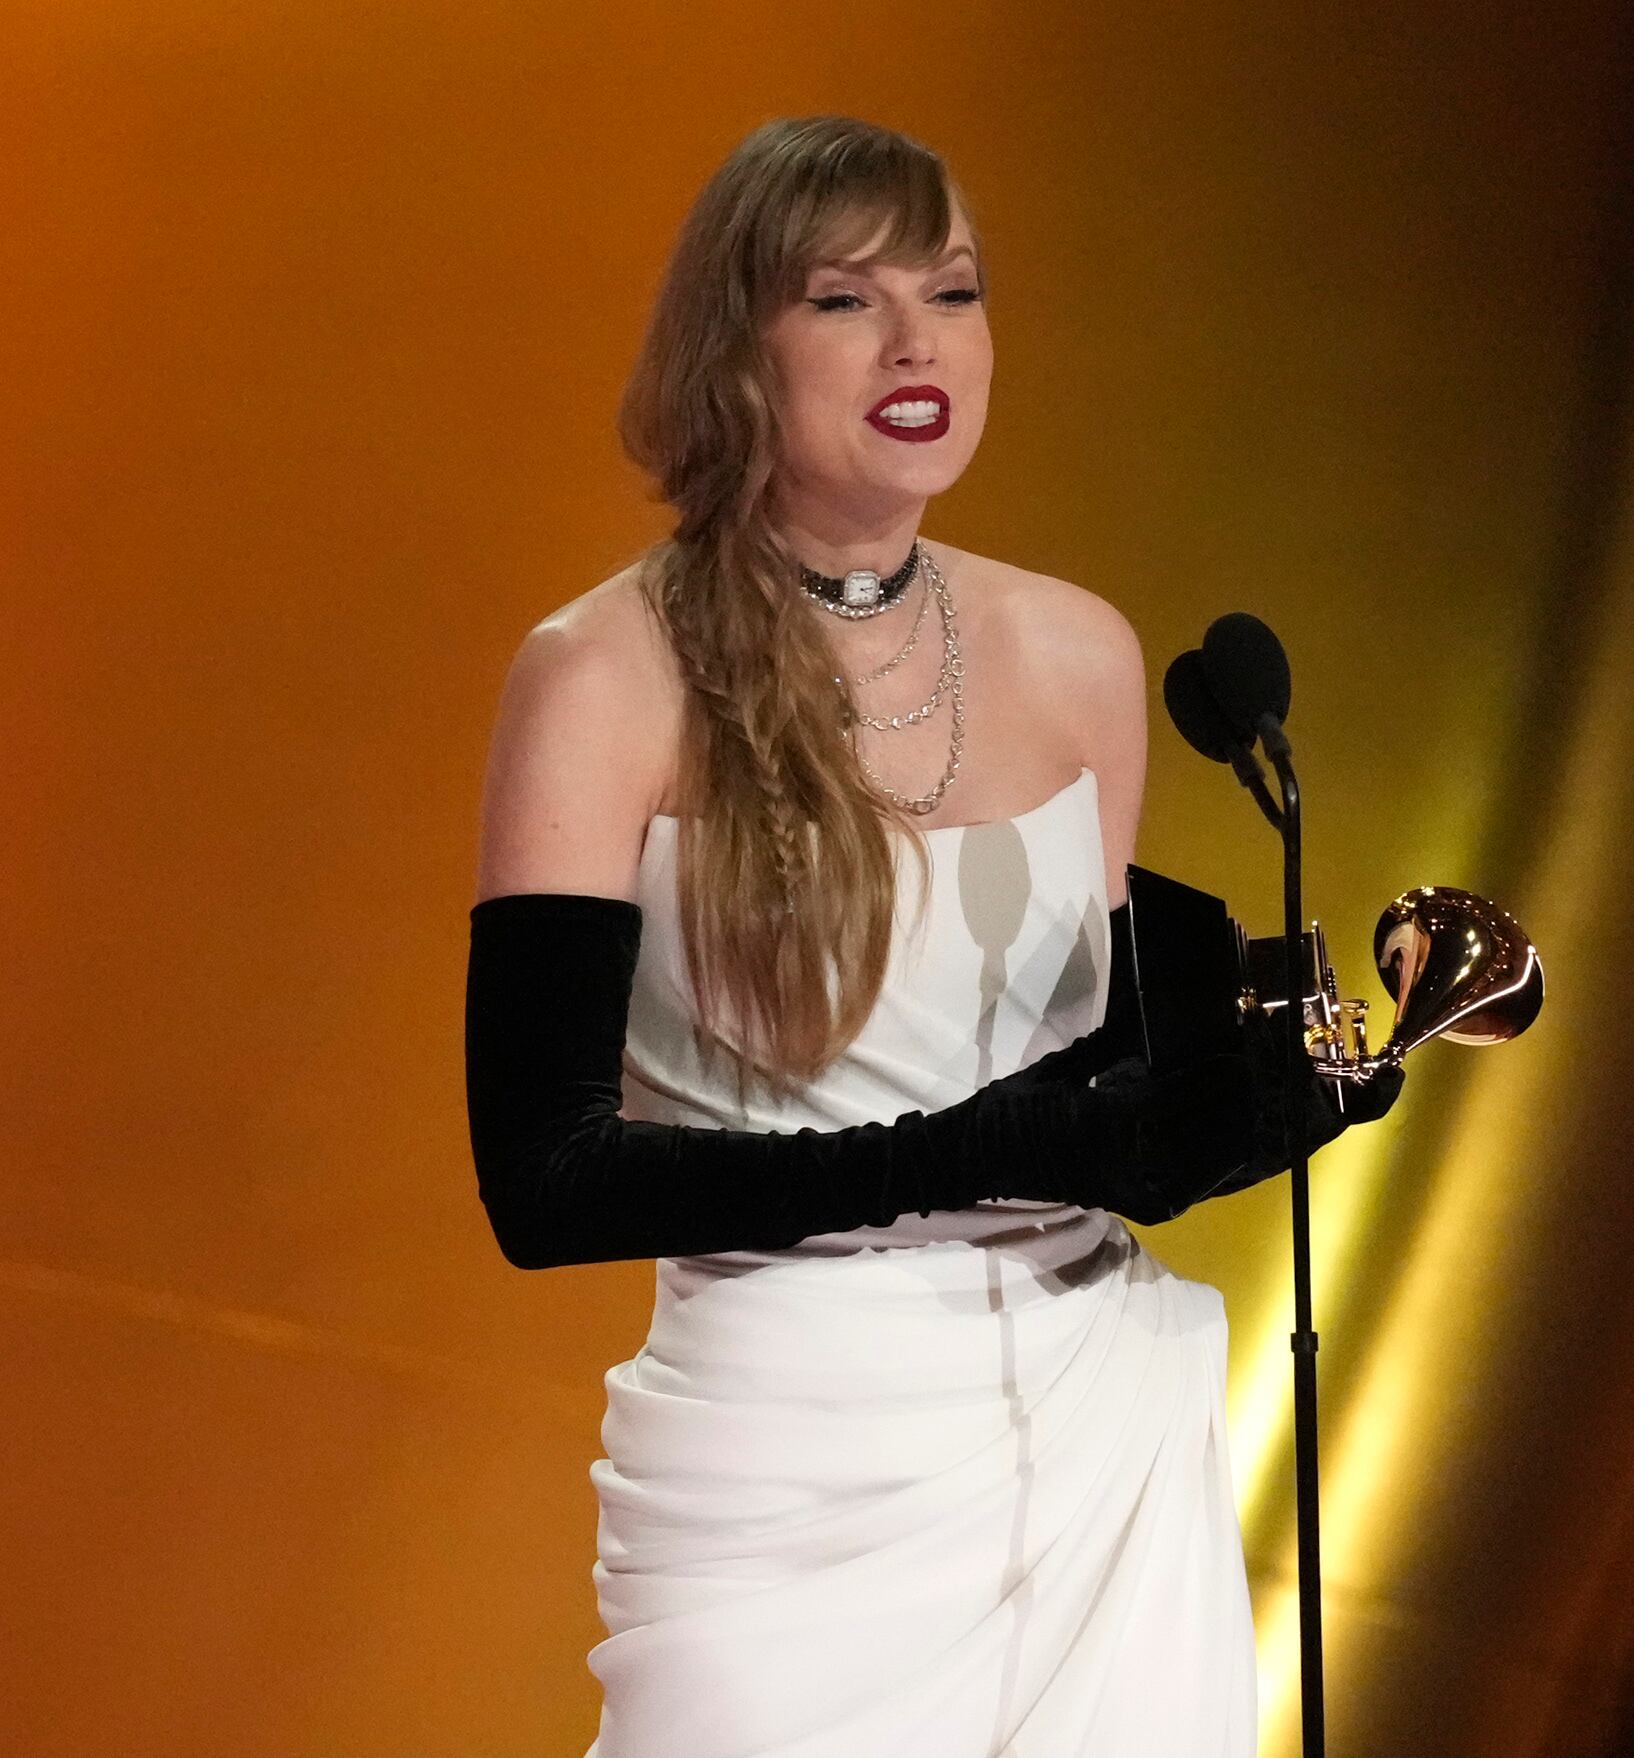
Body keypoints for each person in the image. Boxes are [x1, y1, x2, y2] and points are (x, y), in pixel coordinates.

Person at [461, 115, 1401, 1758]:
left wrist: (1246, 1107)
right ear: (733, 346)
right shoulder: (602, 678)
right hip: (790, 1466)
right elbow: (543, 1180)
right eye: (844, 299)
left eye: (952, 291)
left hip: (1086, 1426)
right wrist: (956, 1151)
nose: (917, 344)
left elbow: (1098, 1098)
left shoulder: (1074, 655)